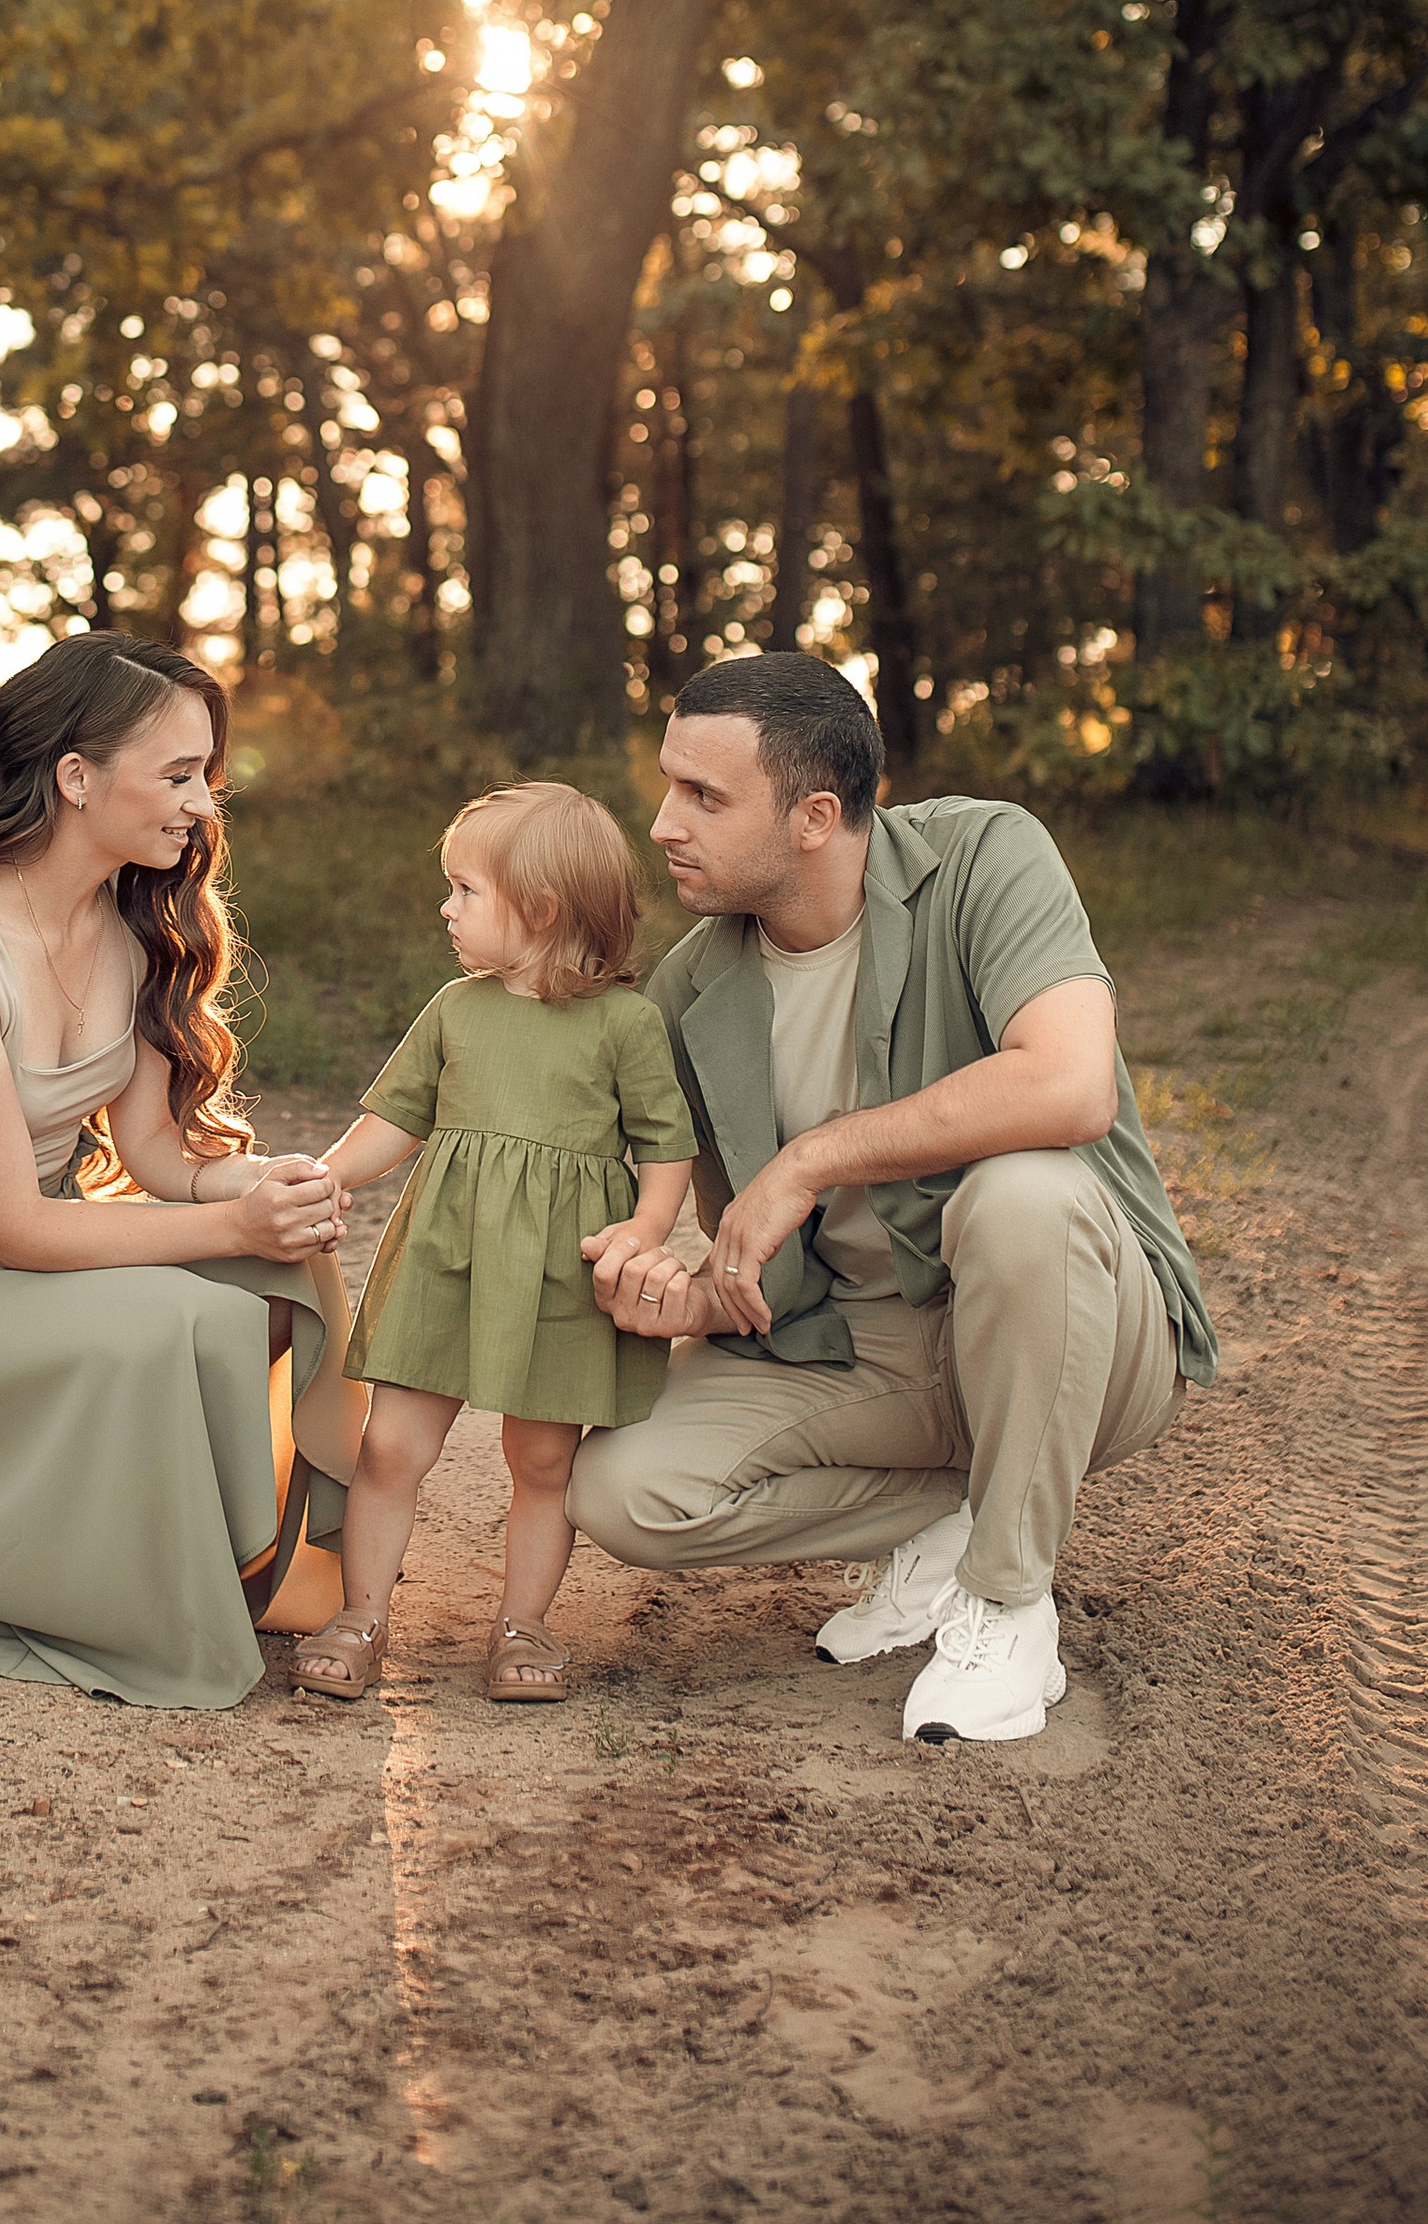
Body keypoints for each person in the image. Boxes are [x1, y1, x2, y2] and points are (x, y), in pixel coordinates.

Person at [571, 654, 1213, 1746]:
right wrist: (683, 1302)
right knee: (623, 1490)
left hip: (1080, 1329)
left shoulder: (984, 855)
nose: (664, 823)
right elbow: (763, 1265)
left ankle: (1008, 1602)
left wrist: (812, 1157)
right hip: (871, 1349)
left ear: (815, 816)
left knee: (1022, 1196)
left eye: (704, 797)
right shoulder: (686, 991)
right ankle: (965, 1513)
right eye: (670, 785)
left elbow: (1070, 1085)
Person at [0, 635, 362, 1709]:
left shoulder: (131, 928)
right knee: (169, 1322)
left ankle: (261, 1569)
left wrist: (256, 1190)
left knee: (285, 1275)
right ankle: (97, 1592)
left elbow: (150, 1159)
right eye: (177, 775)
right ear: (76, 775)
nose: (200, 807)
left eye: (208, 780)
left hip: (22, 1256)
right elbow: (15, 1228)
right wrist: (229, 1232)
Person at [289, 785, 696, 1707]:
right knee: (391, 1445)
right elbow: (395, 1119)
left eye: (465, 890)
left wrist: (645, 1229)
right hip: (446, 1261)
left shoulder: (624, 1025)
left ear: (541, 910)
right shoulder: (455, 1009)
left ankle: (525, 1624)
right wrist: (329, 1177)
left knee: (544, 1462)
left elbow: (667, 1146)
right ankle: (363, 1615)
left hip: (562, 1276)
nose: (446, 907)